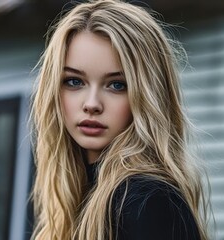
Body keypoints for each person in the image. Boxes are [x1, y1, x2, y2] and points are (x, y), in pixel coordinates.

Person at [30, 0, 210, 239]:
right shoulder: (81, 193)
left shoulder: (146, 199)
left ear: (147, 95)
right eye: (74, 81)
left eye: (117, 85)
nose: (92, 104)